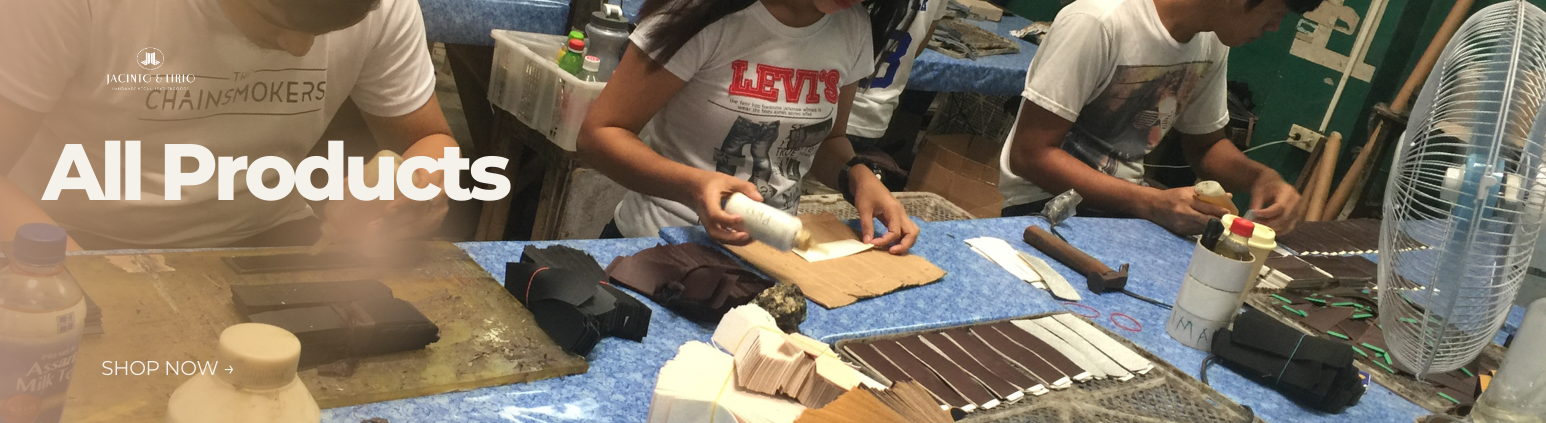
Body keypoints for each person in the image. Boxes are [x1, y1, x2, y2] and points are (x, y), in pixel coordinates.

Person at [0, 0, 453, 250]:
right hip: (68, 234)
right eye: (273, 19)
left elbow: (431, 140)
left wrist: (420, 185)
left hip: (270, 234)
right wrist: (81, 276)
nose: (299, 49)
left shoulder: (387, 4)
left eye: (342, 24)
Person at [579, 0, 921, 254]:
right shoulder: (701, 12)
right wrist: (695, 187)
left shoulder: (852, 24)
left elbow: (828, 139)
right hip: (659, 245)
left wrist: (857, 175)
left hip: (767, 255)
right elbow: (599, 134)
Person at [998, 0, 1322, 235]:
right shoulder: (1098, 21)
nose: (1274, 28)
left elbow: (1206, 146)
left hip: (1127, 209)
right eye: (1277, 13)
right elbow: (1030, 155)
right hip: (1046, 207)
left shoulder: (1211, 41)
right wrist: (1151, 203)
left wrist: (1261, 178)